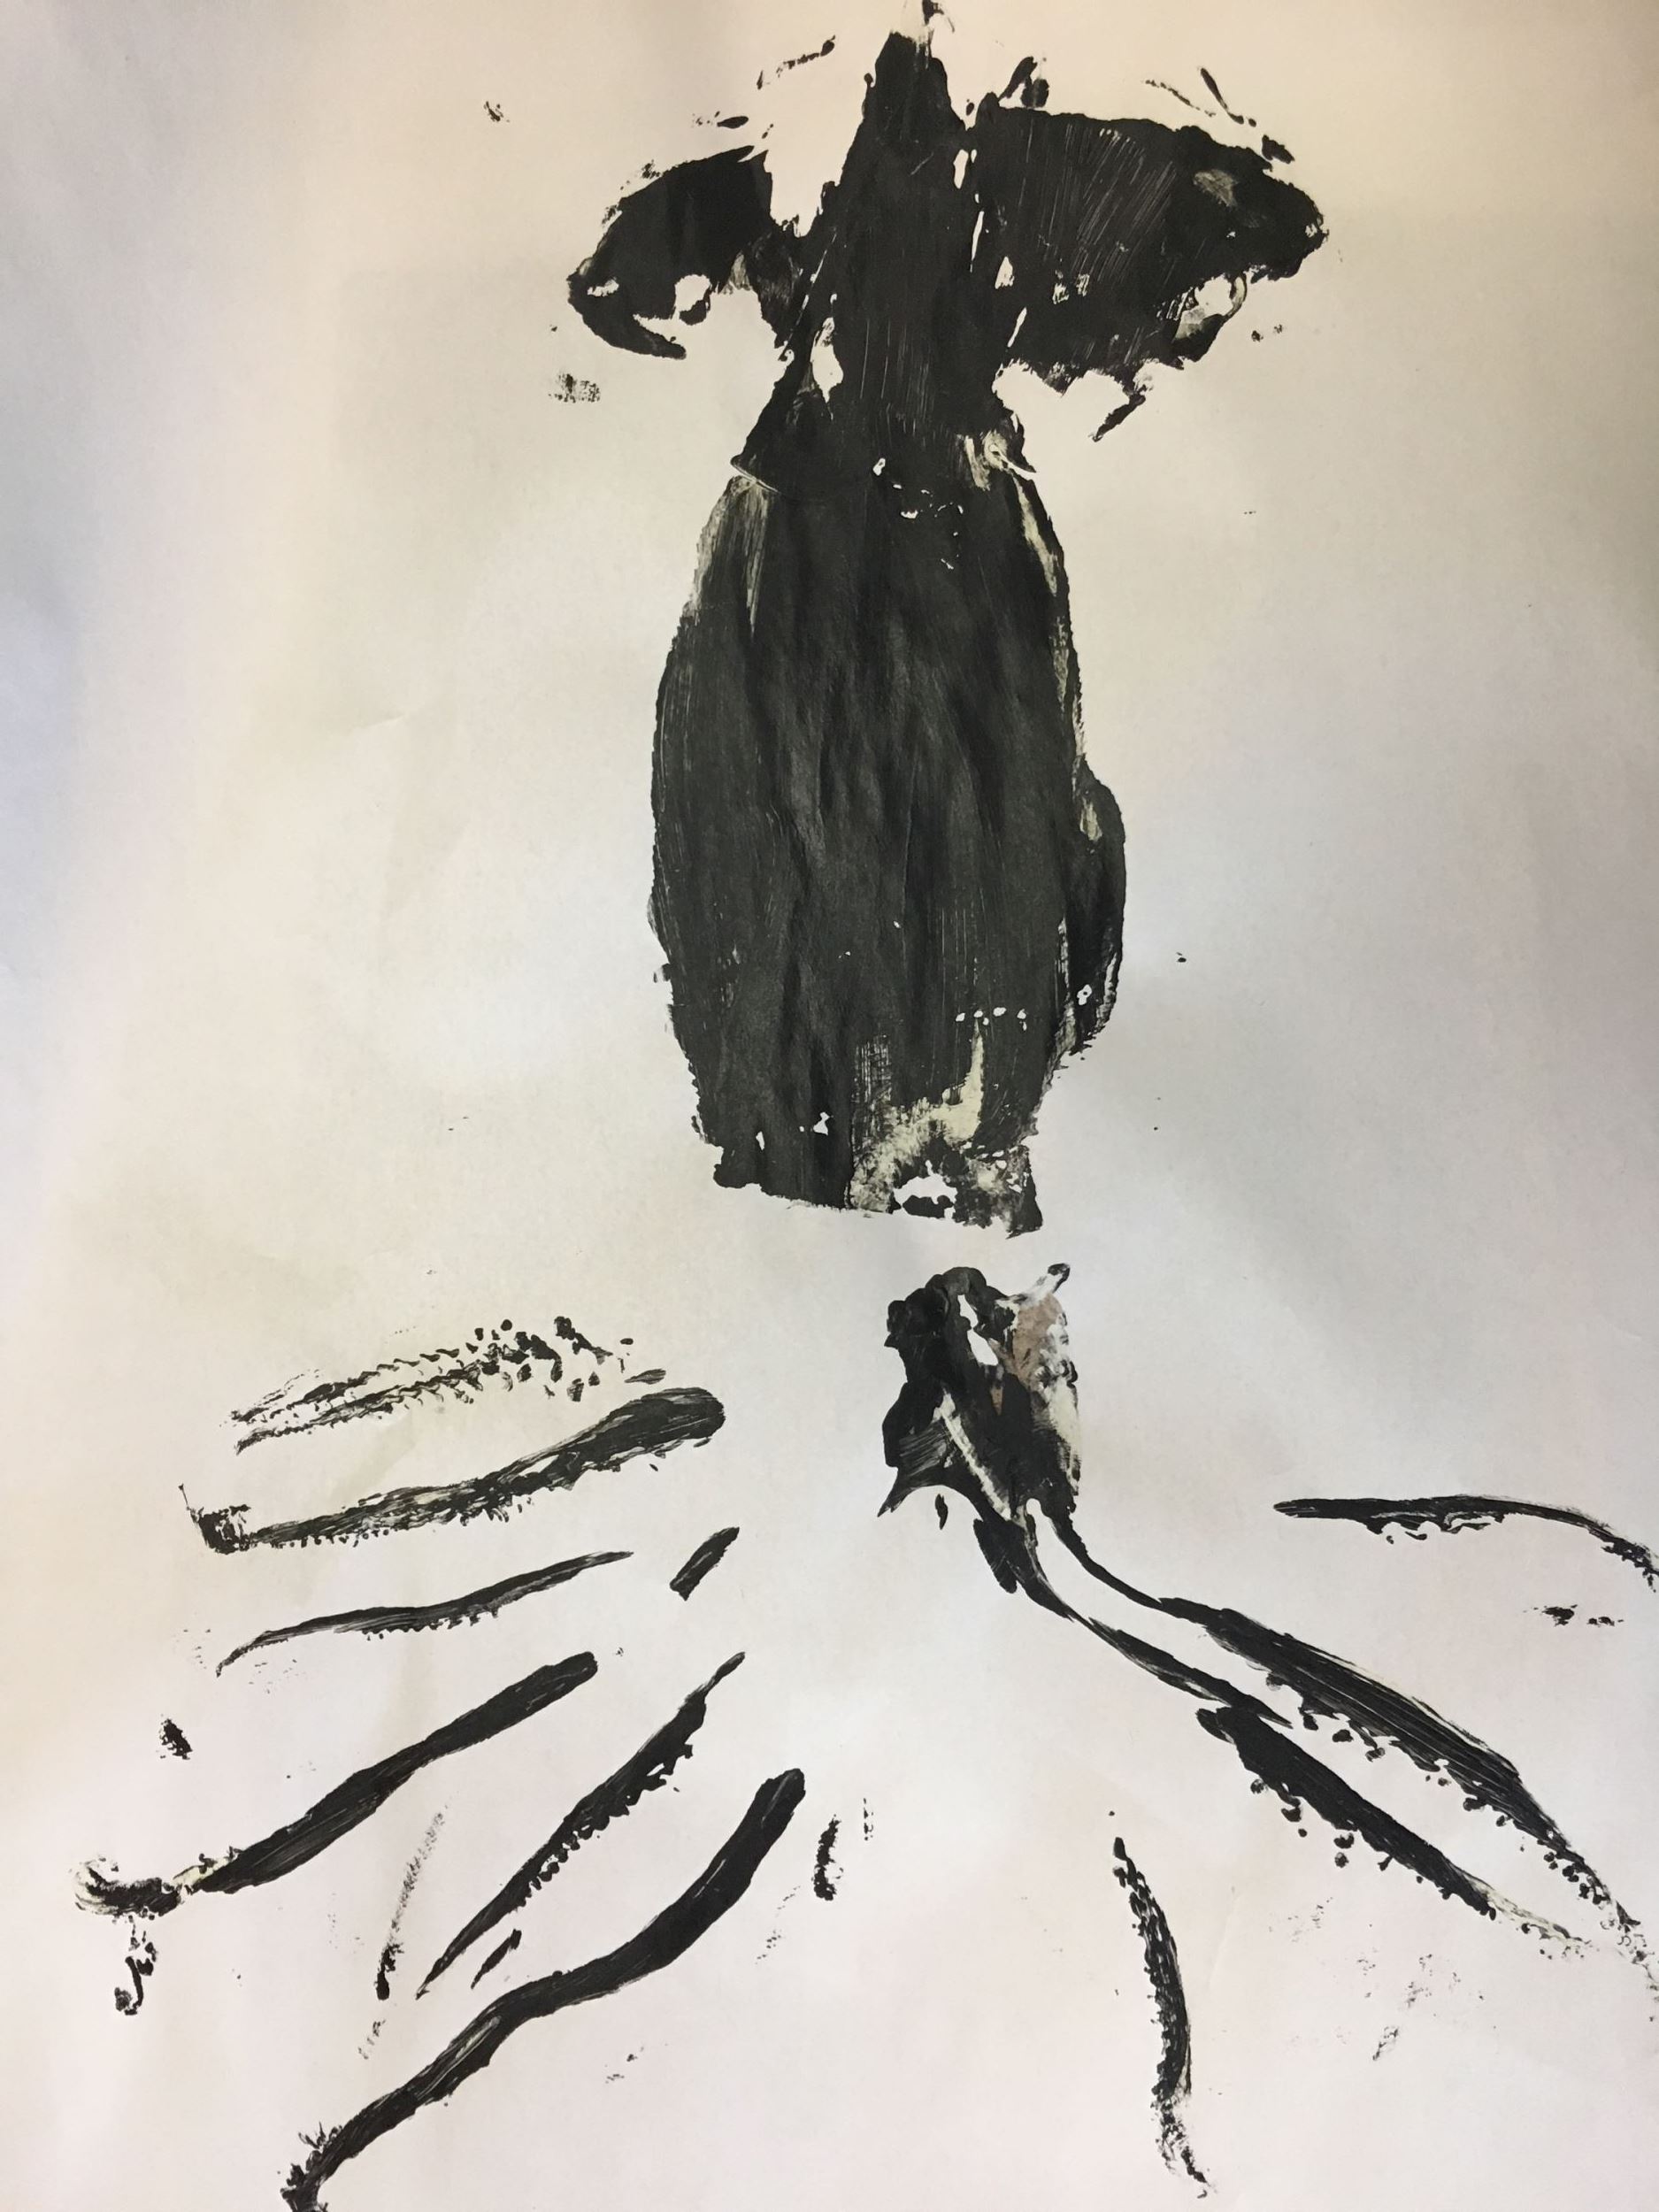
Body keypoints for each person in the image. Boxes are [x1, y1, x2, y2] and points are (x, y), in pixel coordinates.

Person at [571, 26, 1325, 1228]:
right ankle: (899, 1139)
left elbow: (616, 287)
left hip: (881, 547)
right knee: (836, 843)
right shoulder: (962, 173)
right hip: (868, 552)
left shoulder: (941, 171)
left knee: (892, 855)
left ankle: (873, 1140)